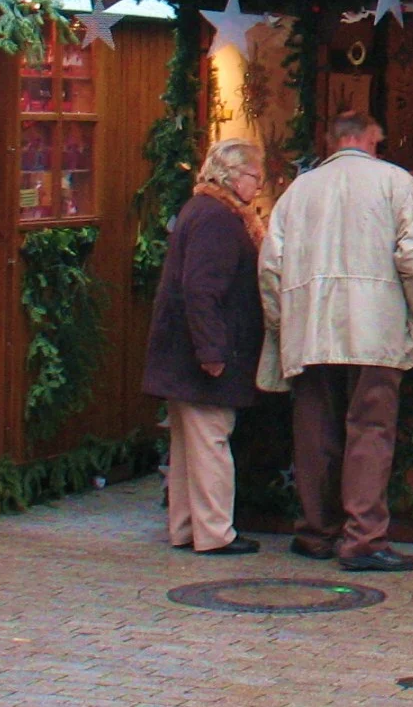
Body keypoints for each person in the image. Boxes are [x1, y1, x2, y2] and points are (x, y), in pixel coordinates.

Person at [259, 112, 413, 571]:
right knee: (371, 430)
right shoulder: (396, 183)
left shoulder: (300, 189)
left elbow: (270, 266)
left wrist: (283, 324)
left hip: (311, 325)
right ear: (366, 138)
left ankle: (315, 531)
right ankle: (363, 539)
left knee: (314, 429)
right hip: (375, 325)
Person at [143, 138, 268, 556]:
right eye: (255, 177)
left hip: (181, 352)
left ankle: (184, 527)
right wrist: (211, 352)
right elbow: (202, 289)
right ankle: (215, 532)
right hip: (202, 355)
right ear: (231, 176)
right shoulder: (218, 218)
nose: (259, 186)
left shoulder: (200, 209)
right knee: (211, 439)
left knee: (188, 446)